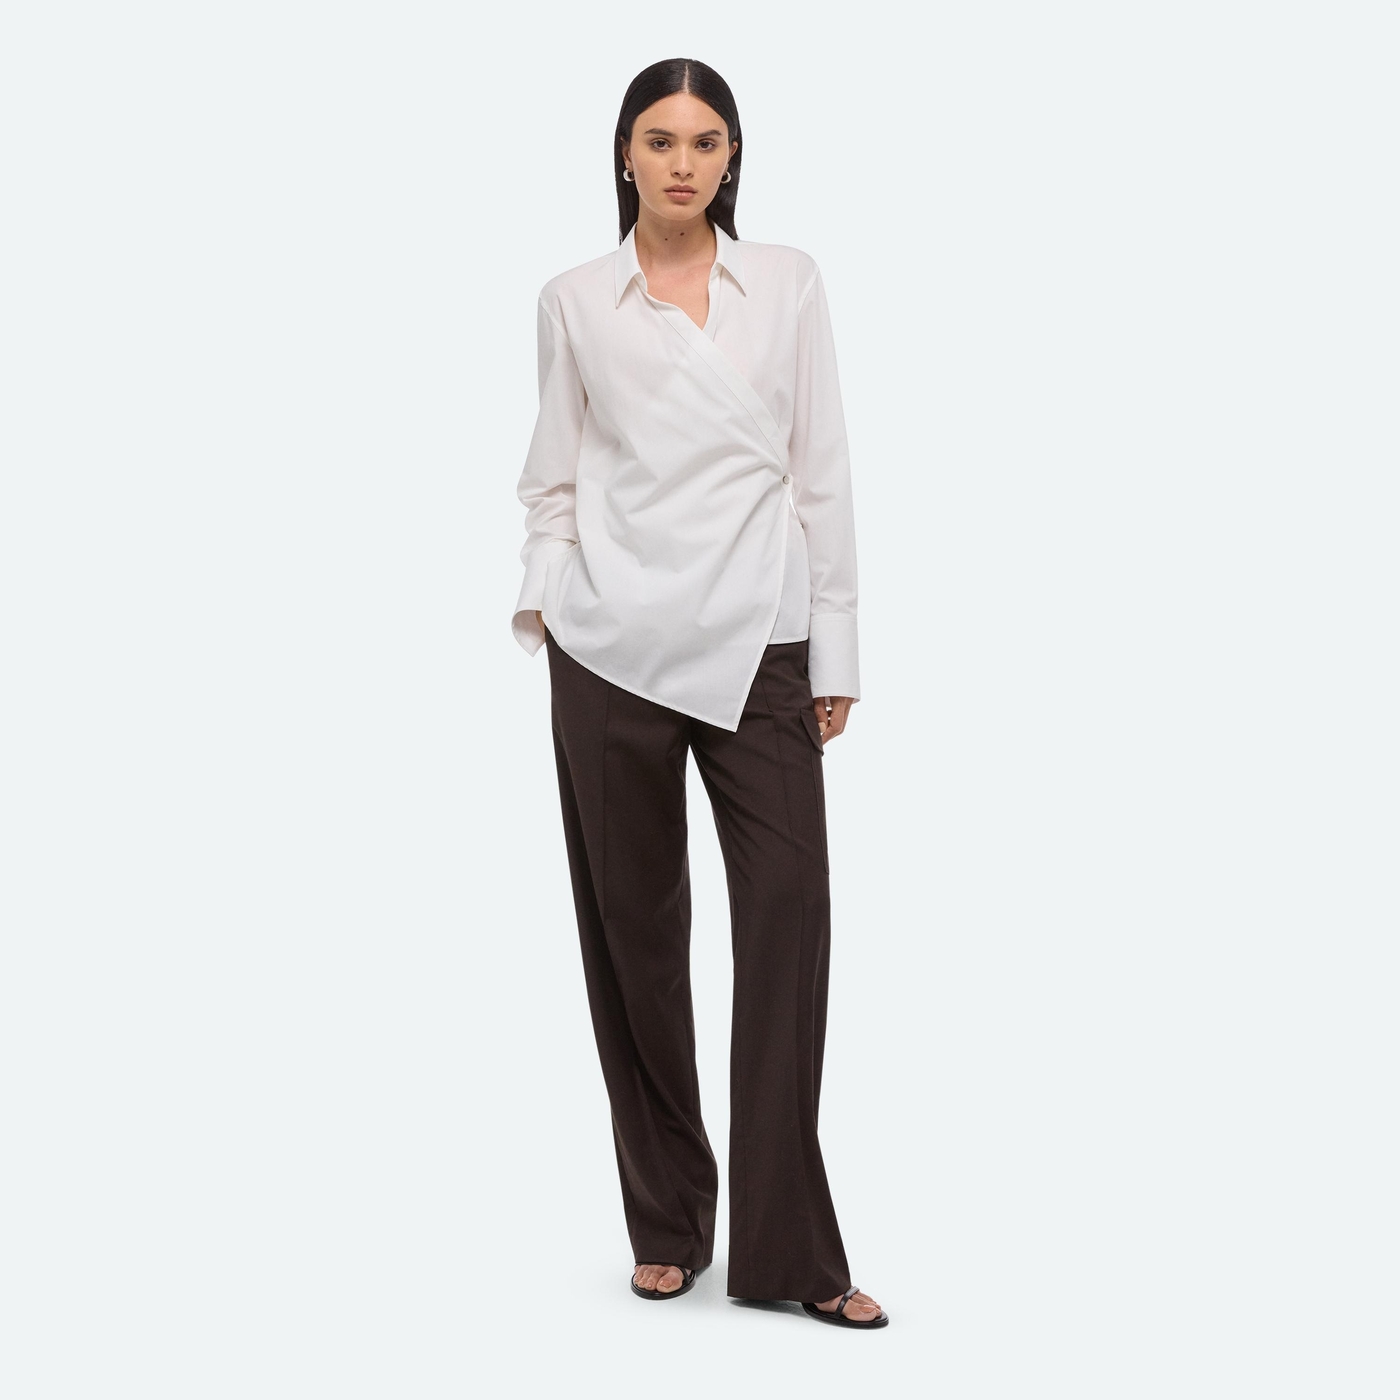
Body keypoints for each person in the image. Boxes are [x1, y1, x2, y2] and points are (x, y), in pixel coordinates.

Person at [510, 57, 887, 1331]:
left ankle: (790, 1245)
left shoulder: (786, 281)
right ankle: (667, 1220)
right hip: (608, 646)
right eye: (659, 138)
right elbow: (552, 475)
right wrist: (549, 602)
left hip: (759, 638)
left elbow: (821, 468)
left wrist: (833, 651)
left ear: (732, 158)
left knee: (786, 916)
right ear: (623, 152)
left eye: (706, 140)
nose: (682, 162)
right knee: (634, 936)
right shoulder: (574, 298)